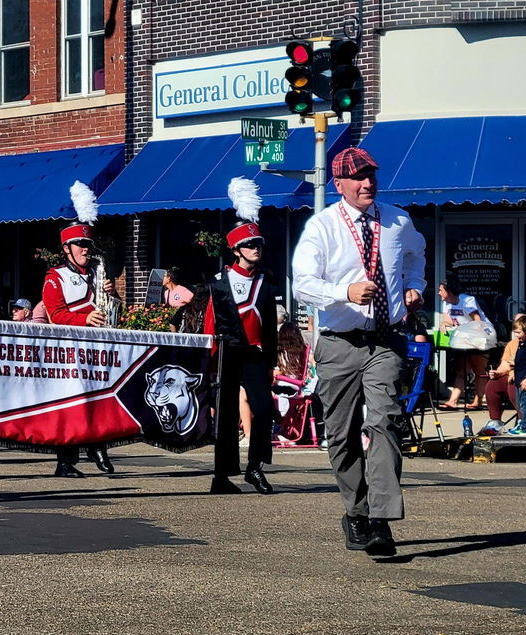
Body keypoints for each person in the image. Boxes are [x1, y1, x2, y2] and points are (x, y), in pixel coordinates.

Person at [293, 147, 426, 557]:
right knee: (341, 434)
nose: (368, 183)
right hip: (338, 342)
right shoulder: (322, 227)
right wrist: (343, 292)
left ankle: (382, 522)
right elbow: (302, 283)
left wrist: (414, 286)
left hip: (386, 339)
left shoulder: (398, 220)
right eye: (358, 177)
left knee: (385, 420)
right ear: (339, 184)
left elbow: (416, 256)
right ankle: (357, 511)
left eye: (371, 175)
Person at [203, 177, 277, 495]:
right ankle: (222, 474)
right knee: (225, 415)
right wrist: (209, 362)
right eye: (249, 245)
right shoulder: (219, 282)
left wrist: (271, 363)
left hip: (255, 356)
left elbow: (269, 328)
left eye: (258, 244)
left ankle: (255, 467)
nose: (255, 249)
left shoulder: (266, 283)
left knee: (263, 409)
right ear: (236, 249)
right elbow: (209, 323)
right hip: (227, 353)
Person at [41, 181, 118, 477]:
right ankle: (65, 461)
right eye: (79, 245)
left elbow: (111, 310)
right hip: (69, 350)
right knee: (70, 406)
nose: (86, 249)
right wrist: (84, 320)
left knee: (100, 399)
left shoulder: (97, 273)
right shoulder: (55, 277)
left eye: (87, 244)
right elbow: (55, 315)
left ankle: (98, 446)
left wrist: (112, 295)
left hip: (98, 346)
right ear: (66, 249)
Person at [437, 275, 489, 409]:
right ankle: (453, 401)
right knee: (461, 370)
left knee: (479, 370)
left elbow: (477, 320)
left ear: (449, 290)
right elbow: (449, 320)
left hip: (480, 335)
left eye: (441, 290)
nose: (438, 293)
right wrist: (444, 323)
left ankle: (478, 401)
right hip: (463, 338)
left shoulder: (467, 300)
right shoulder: (445, 303)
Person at [479, 313, 526, 435]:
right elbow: (505, 364)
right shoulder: (514, 344)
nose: (516, 333)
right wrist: (497, 372)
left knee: (514, 385)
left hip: (521, 378)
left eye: (519, 330)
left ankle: (523, 422)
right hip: (515, 375)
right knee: (494, 384)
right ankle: (495, 421)